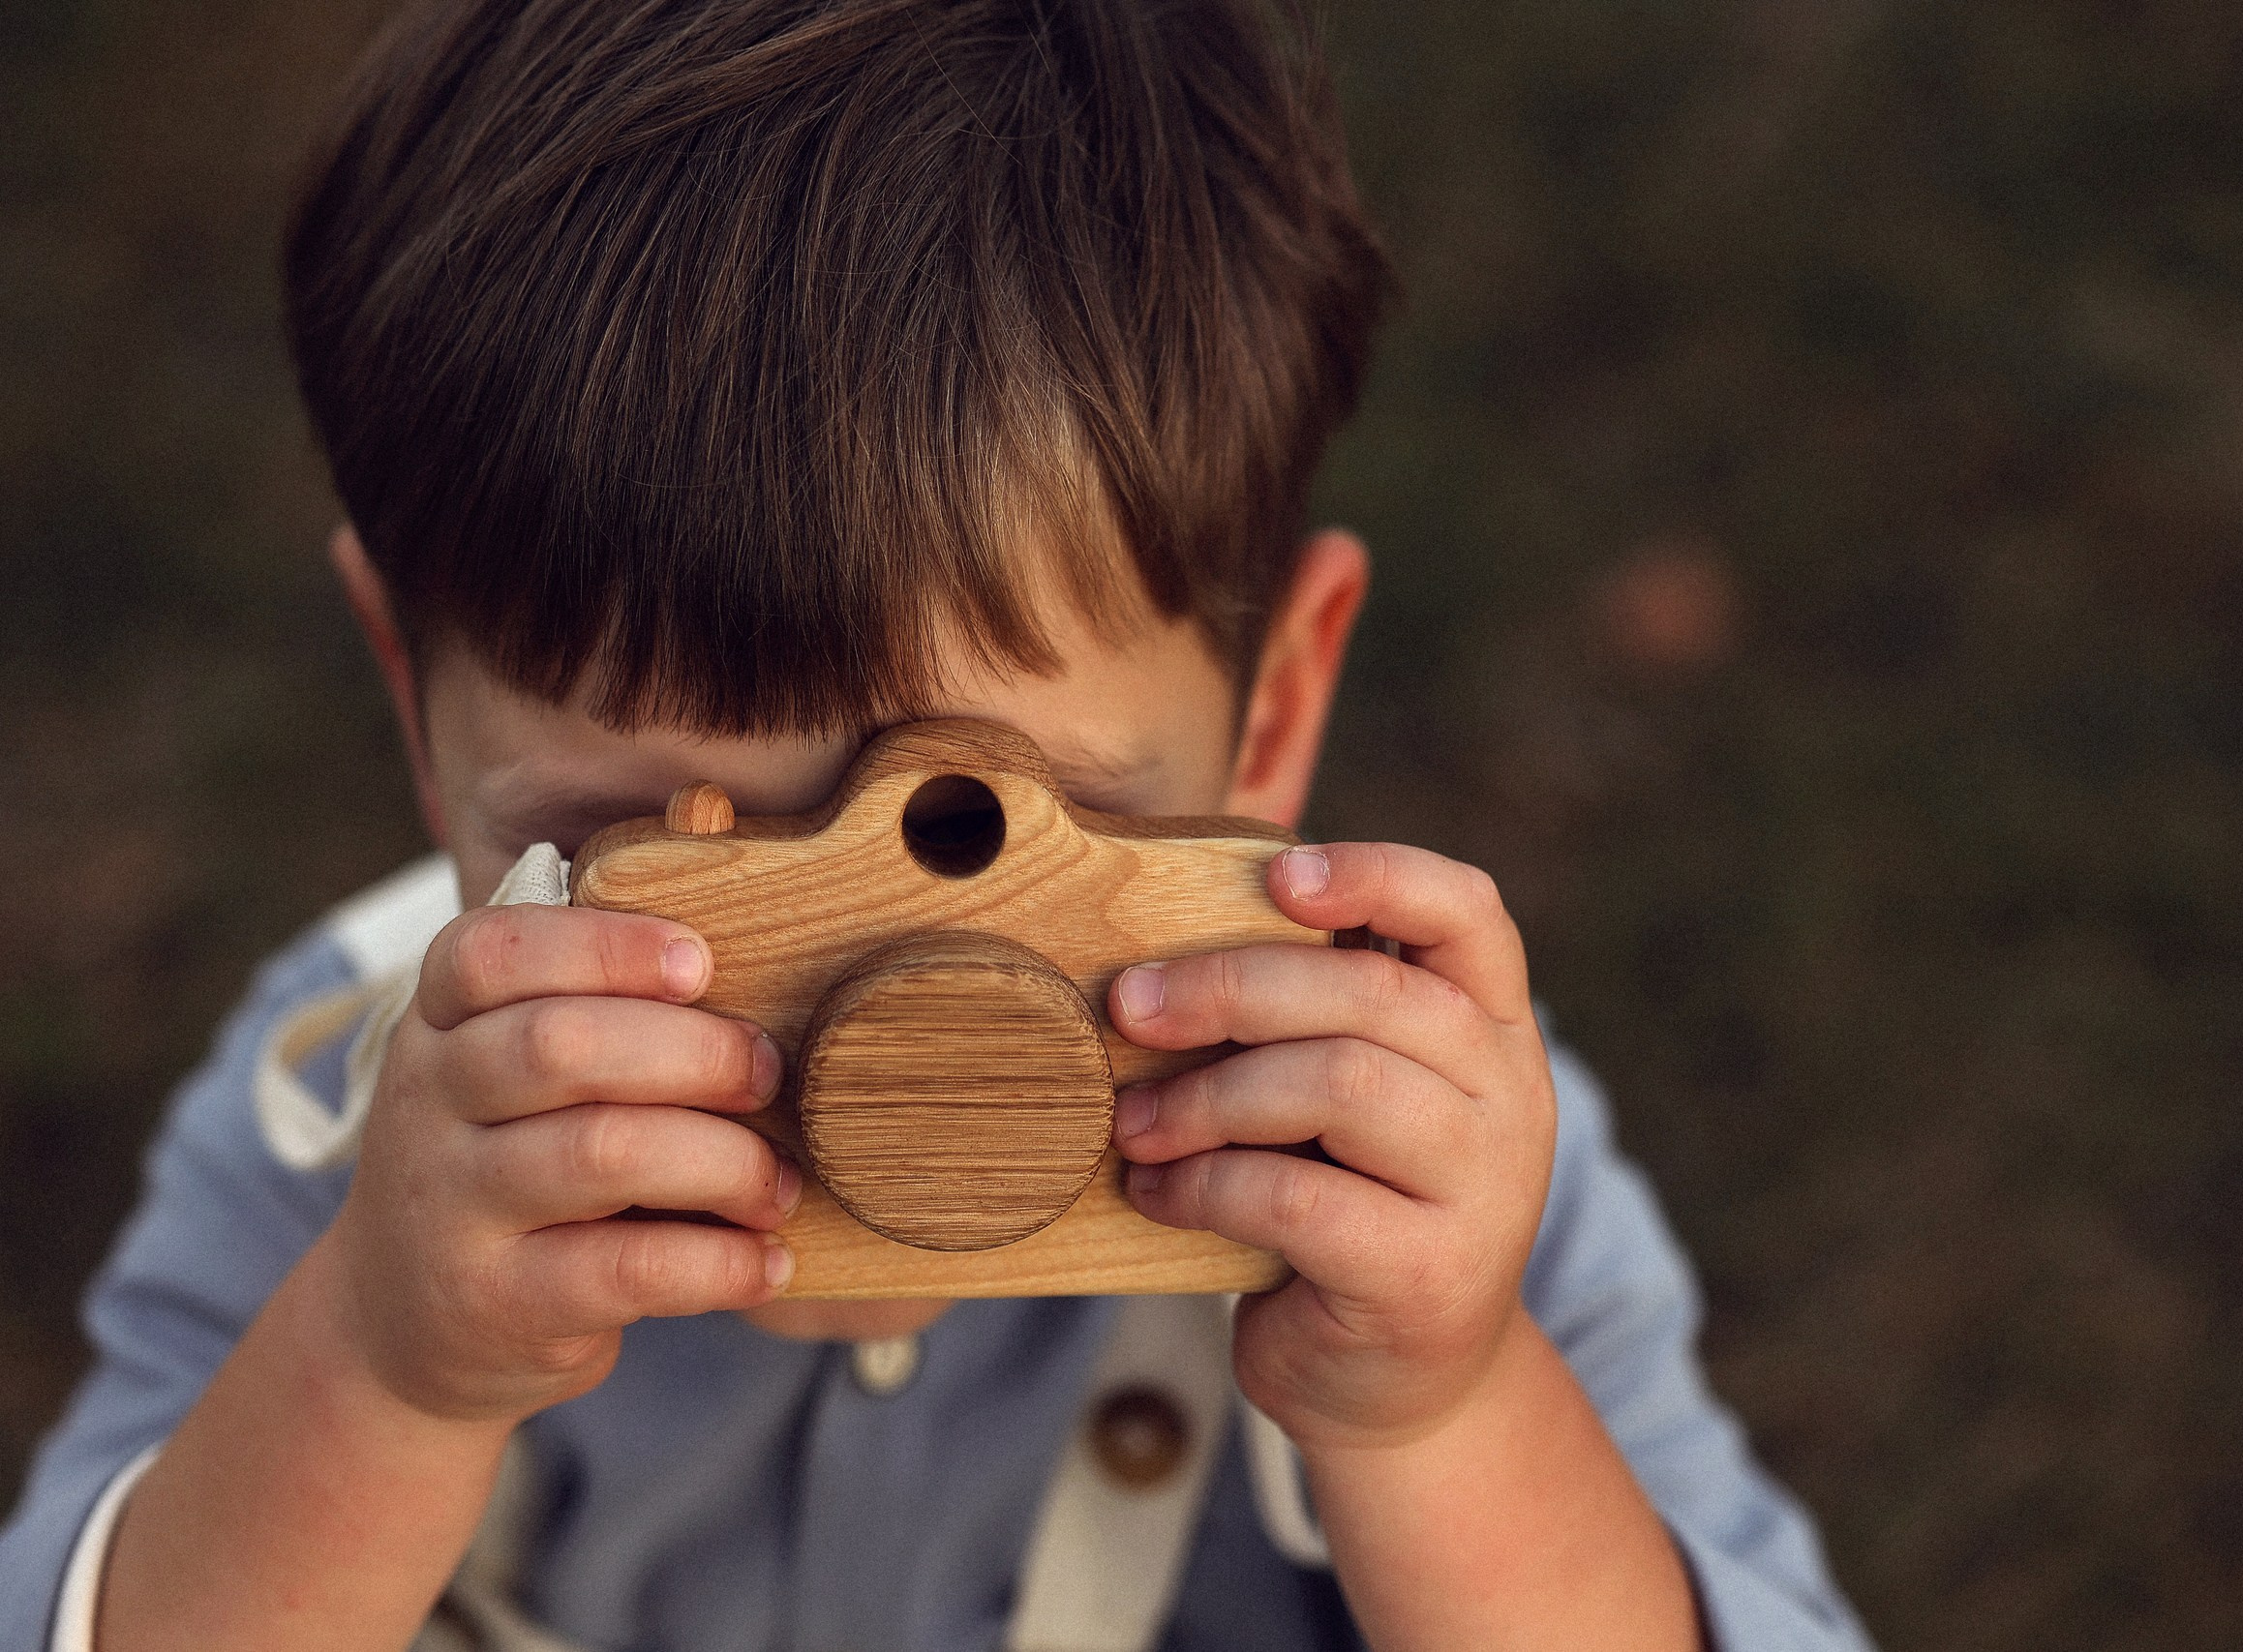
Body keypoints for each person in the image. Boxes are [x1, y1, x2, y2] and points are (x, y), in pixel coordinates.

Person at [0, 2, 1873, 1648]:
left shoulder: (1406, 1162)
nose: (855, 1036)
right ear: (414, 704)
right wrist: (378, 1373)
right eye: (657, 849)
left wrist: (1441, 1415)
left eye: (983, 831)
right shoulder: (343, 1134)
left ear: (1276, 708)